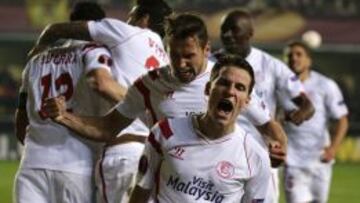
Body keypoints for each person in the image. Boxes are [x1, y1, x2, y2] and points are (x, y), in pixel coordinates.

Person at [44, 13, 285, 167]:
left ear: (206, 49)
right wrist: (62, 116)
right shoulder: (149, 83)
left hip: (219, 185)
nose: (181, 64)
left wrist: (278, 149)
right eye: (174, 55)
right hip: (165, 188)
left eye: (189, 56)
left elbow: (269, 126)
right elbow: (107, 128)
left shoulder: (226, 81)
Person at [30, 1, 173, 202]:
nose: (127, 19)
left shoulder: (125, 32)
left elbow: (56, 29)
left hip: (121, 152)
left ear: (144, 18)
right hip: (152, 157)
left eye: (132, 15)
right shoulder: (165, 57)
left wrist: (39, 48)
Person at [129, 55, 271, 203]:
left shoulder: (256, 157)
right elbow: (140, 191)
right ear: (208, 89)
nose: (230, 92)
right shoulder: (165, 131)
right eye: (224, 83)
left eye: (240, 87)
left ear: (247, 100)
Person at [14, 2, 114, 202]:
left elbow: (21, 121)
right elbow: (104, 86)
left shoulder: (36, 60)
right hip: (77, 166)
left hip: (31, 165)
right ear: (98, 25)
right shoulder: (94, 53)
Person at [215, 9, 315, 203]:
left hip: (261, 155)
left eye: (234, 30)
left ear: (250, 34)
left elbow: (307, 105)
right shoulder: (211, 63)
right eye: (224, 30)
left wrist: (299, 114)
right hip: (219, 153)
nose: (227, 35)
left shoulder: (271, 65)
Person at [282, 41, 349, 203]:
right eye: (290, 55)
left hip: (319, 159)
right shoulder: (281, 86)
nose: (294, 58)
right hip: (292, 160)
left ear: (309, 60)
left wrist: (333, 148)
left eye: (299, 54)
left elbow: (342, 120)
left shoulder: (325, 85)